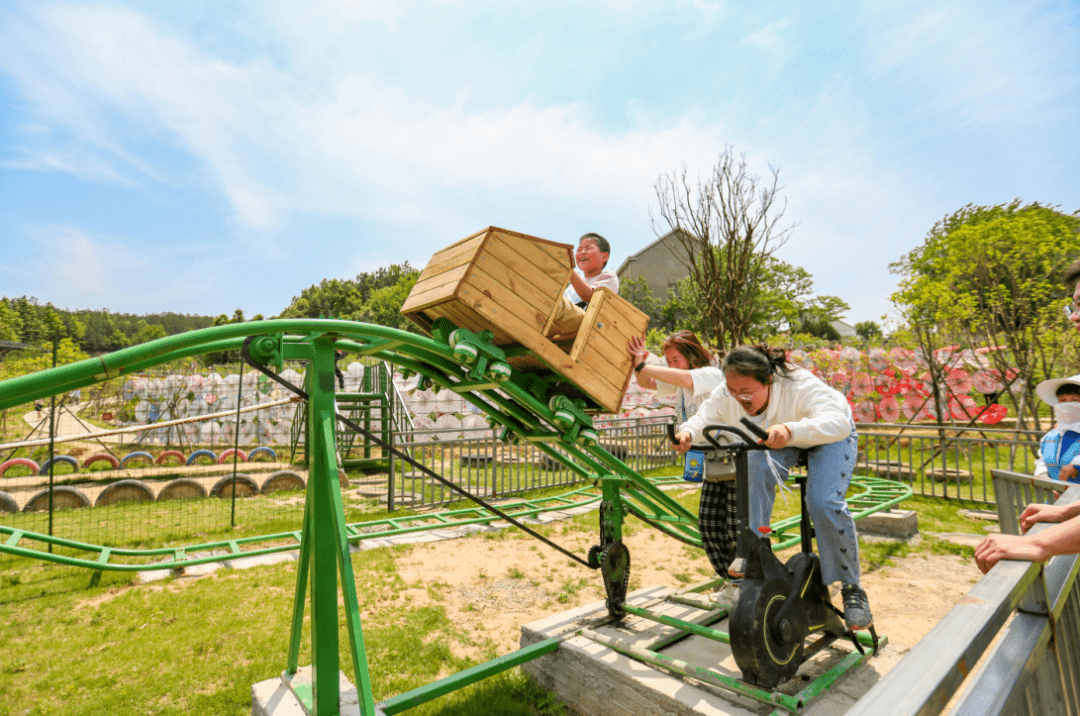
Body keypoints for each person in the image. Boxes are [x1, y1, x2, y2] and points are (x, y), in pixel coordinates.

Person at [671, 345, 873, 630]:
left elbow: (837, 422)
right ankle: (755, 552)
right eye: (733, 391)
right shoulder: (729, 391)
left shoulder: (799, 385)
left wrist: (791, 430)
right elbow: (705, 416)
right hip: (779, 437)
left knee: (822, 501)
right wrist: (688, 433)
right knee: (755, 463)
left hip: (827, 435)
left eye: (747, 393)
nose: (739, 399)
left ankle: (852, 588)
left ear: (768, 381)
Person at [628, 332, 737, 588]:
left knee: (734, 524)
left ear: (691, 355)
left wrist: (644, 363)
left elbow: (684, 377)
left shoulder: (711, 374)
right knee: (709, 524)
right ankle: (731, 580)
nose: (672, 366)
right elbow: (646, 382)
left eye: (676, 359)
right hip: (705, 456)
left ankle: (743, 583)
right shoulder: (679, 385)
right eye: (669, 361)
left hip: (732, 458)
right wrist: (637, 362)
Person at [547, 233, 619, 338]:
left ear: (604, 256)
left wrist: (569, 269)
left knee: (554, 302)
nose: (582, 252)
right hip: (561, 324)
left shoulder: (609, 276)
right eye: (579, 249)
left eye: (588, 248)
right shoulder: (571, 287)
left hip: (587, 323)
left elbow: (591, 297)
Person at [1033, 375, 1080, 483]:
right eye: (1063, 400)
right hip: (1056, 497)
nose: (1068, 405)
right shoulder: (1050, 437)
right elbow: (1042, 461)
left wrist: (1077, 464)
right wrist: (1044, 479)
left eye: (1075, 400)